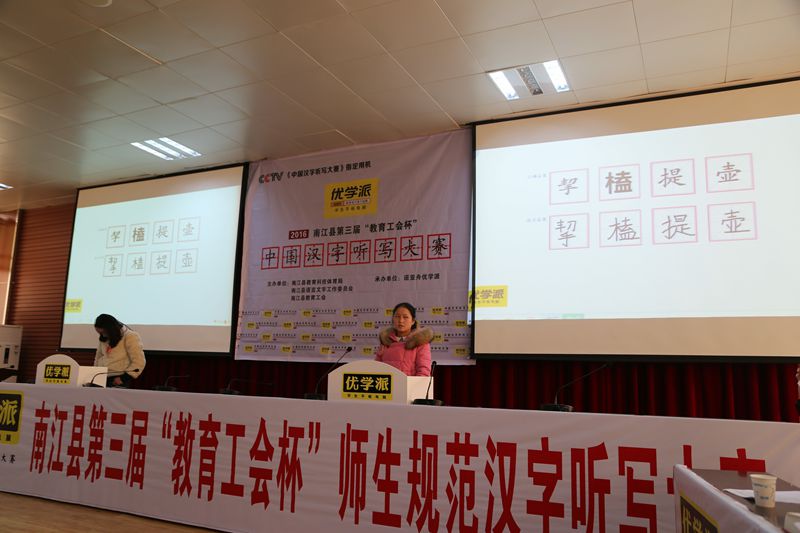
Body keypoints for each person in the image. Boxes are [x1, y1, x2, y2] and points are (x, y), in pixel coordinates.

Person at [375, 302, 432, 376]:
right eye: (397, 316)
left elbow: (424, 372)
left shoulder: (420, 342)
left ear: (413, 321)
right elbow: (376, 368)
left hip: (409, 383)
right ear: (393, 319)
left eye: (405, 317)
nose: (401, 321)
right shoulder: (386, 341)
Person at [93, 314, 145, 387]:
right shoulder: (104, 338)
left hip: (118, 379)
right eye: (100, 333)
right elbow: (98, 357)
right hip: (100, 377)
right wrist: (94, 373)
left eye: (103, 332)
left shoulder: (130, 336)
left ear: (110, 329)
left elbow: (139, 361)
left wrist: (124, 378)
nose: (103, 335)